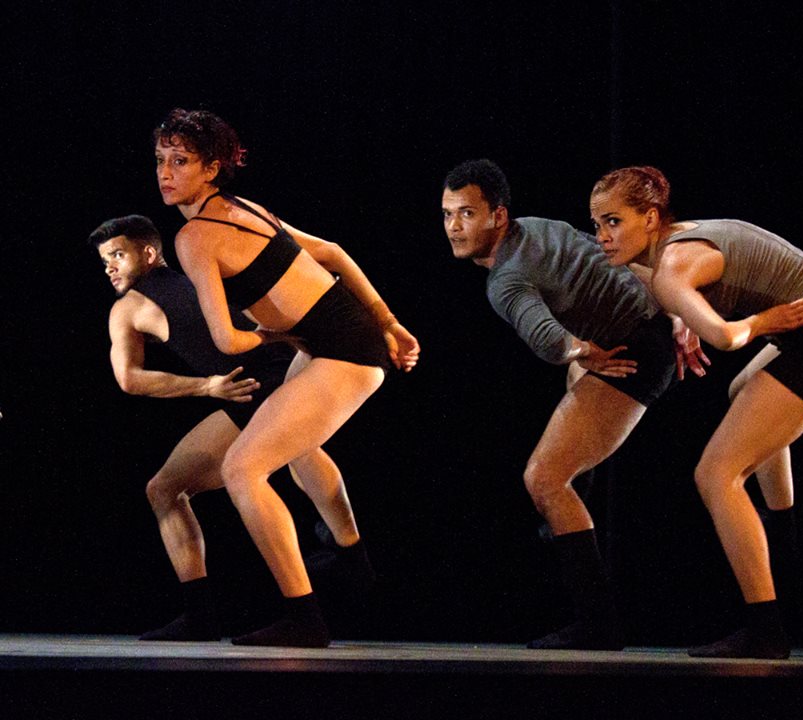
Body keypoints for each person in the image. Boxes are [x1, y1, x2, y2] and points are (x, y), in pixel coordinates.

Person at [589, 165, 803, 659]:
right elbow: (798, 258)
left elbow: (725, 337)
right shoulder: (694, 232)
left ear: (650, 219)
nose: (602, 237)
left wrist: (762, 321)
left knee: (716, 475)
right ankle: (783, 538)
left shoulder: (673, 268)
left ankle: (766, 629)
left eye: (613, 222)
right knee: (743, 391)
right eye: (596, 225)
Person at [154, 108, 419, 647]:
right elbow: (334, 254)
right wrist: (388, 322)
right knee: (295, 444)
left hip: (344, 353)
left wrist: (273, 336)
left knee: (243, 469)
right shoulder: (246, 209)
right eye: (160, 159)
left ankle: (306, 616)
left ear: (211, 169)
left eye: (180, 161)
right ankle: (353, 562)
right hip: (342, 343)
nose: (165, 172)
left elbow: (228, 340)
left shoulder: (195, 236)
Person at [441, 158, 718, 650]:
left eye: (467, 213)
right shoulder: (538, 227)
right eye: (447, 214)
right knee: (573, 393)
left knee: (544, 479)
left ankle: (598, 622)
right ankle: (571, 508)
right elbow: (615, 260)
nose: (454, 227)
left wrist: (584, 351)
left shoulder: (504, 279)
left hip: (635, 352)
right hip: (649, 328)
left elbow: (549, 340)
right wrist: (675, 310)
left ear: (498, 216)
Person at [87, 214, 376, 642]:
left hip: (251, 388)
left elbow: (129, 379)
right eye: (104, 260)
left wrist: (206, 386)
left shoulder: (128, 307)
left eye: (117, 255)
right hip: (275, 377)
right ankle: (352, 558)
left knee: (177, 487)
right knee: (291, 453)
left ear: (148, 253)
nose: (110, 267)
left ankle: (220, 612)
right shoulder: (201, 276)